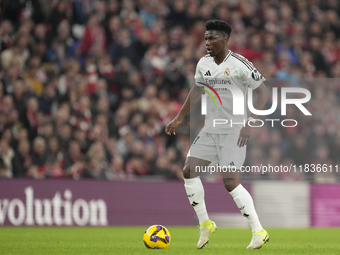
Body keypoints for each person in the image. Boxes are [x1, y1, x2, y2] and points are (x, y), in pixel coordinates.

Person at [165, 20, 269, 249]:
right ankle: (205, 224)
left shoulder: (240, 64)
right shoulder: (203, 63)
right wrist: (179, 117)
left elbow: (263, 92)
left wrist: (250, 123)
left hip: (234, 131)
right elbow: (197, 89)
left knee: (230, 182)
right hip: (210, 130)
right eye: (205, 38)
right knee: (188, 171)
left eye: (212, 38)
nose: (207, 42)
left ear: (224, 39)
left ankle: (258, 231)